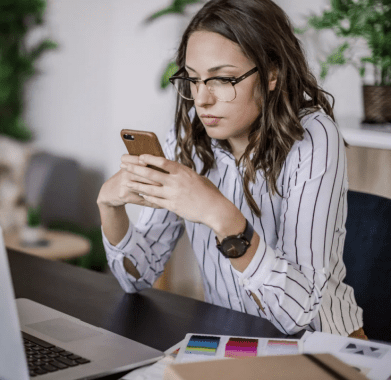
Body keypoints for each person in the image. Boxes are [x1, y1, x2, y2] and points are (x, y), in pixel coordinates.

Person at [97, 0, 366, 338]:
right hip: (234, 341)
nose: (202, 99)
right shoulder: (188, 135)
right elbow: (134, 278)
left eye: (222, 80)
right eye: (193, 80)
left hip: (321, 347)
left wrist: (219, 214)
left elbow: (297, 315)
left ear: (271, 74)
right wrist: (109, 206)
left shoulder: (312, 136)